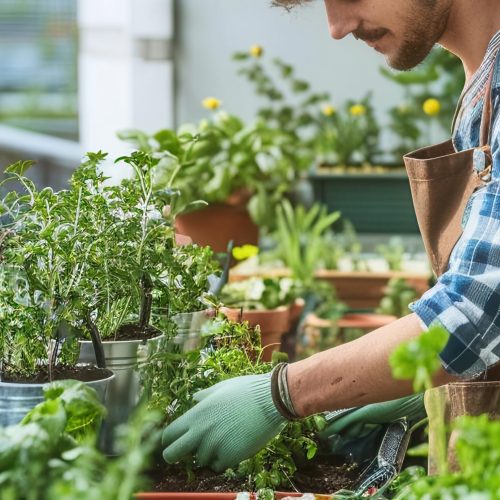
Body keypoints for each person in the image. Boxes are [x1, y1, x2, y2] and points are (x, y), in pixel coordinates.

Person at [162, 0, 500, 473]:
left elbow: (473, 311)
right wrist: (419, 386)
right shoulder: (482, 83)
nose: (337, 27)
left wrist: (282, 393)